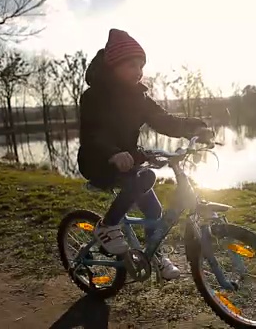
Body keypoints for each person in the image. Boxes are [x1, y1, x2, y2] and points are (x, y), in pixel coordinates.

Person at [77, 28, 213, 280]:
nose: (138, 70)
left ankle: (155, 253)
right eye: (131, 64)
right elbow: (93, 133)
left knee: (154, 210)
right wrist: (113, 153)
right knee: (146, 177)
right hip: (97, 160)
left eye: (141, 65)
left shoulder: (138, 97)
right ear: (114, 66)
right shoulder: (94, 97)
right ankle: (107, 227)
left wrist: (196, 128)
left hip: (127, 162)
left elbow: (163, 120)